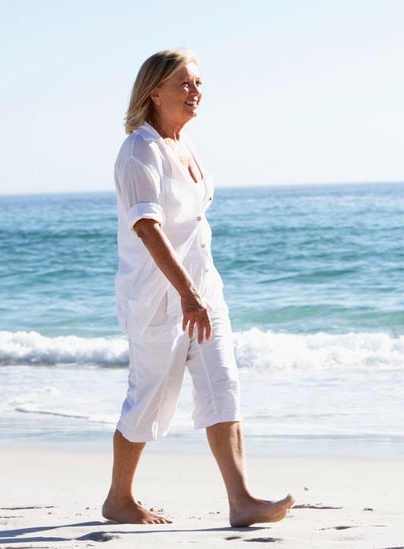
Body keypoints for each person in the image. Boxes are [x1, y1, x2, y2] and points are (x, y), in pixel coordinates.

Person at [103, 49, 294, 527]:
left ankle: (242, 501)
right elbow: (147, 228)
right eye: (184, 84)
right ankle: (118, 500)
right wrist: (187, 295)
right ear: (155, 92)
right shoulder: (139, 151)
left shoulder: (184, 144)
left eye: (198, 83)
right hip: (158, 300)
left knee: (222, 385)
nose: (195, 92)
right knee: (148, 398)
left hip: (204, 290)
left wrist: (199, 293)